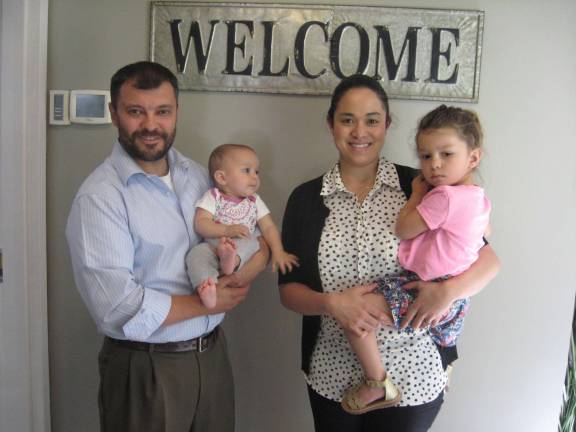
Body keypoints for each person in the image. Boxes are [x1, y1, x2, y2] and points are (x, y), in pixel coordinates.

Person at [278, 74, 500, 432]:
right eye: (347, 119)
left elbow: (488, 260)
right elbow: (289, 292)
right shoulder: (305, 199)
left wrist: (447, 292)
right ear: (331, 124)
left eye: (372, 120)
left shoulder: (424, 185)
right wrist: (332, 303)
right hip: (332, 375)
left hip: (415, 375)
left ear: (387, 125)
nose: (359, 132)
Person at [66, 61, 268, 432]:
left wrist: (245, 274)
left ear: (176, 112)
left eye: (162, 111)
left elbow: (256, 237)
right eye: (135, 112)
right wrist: (208, 302)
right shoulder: (100, 198)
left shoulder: (200, 177)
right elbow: (116, 306)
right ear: (114, 113)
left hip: (211, 355)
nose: (150, 125)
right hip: (146, 367)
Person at [340, 105, 491, 415]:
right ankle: (440, 373)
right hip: (455, 296)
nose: (434, 164)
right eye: (425, 156)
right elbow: (483, 238)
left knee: (355, 316)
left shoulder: (444, 197)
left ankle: (377, 383)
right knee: (436, 338)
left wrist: (416, 196)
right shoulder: (478, 197)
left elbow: (404, 228)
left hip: (427, 285)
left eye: (446, 154)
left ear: (473, 157)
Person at [186, 143, 298, 308]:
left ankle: (232, 261)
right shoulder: (213, 197)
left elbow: (268, 227)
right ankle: (207, 288)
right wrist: (226, 230)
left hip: (241, 242)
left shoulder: (254, 201)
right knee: (195, 255)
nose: (255, 177)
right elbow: (201, 223)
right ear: (222, 178)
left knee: (251, 242)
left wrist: (278, 251)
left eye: (256, 172)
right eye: (247, 170)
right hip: (212, 246)